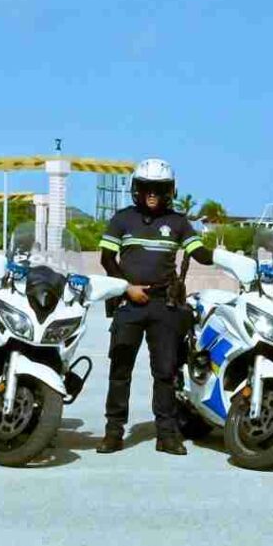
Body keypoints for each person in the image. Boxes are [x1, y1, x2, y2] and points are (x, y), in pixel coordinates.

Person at [97, 157, 211, 455]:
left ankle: (167, 435)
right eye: (146, 187)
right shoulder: (122, 219)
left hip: (165, 305)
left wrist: (227, 260)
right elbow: (107, 259)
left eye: (158, 188)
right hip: (129, 303)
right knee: (120, 370)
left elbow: (199, 252)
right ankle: (113, 432)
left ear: (169, 191)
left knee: (165, 372)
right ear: (137, 188)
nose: (152, 193)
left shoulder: (178, 222)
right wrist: (127, 288)